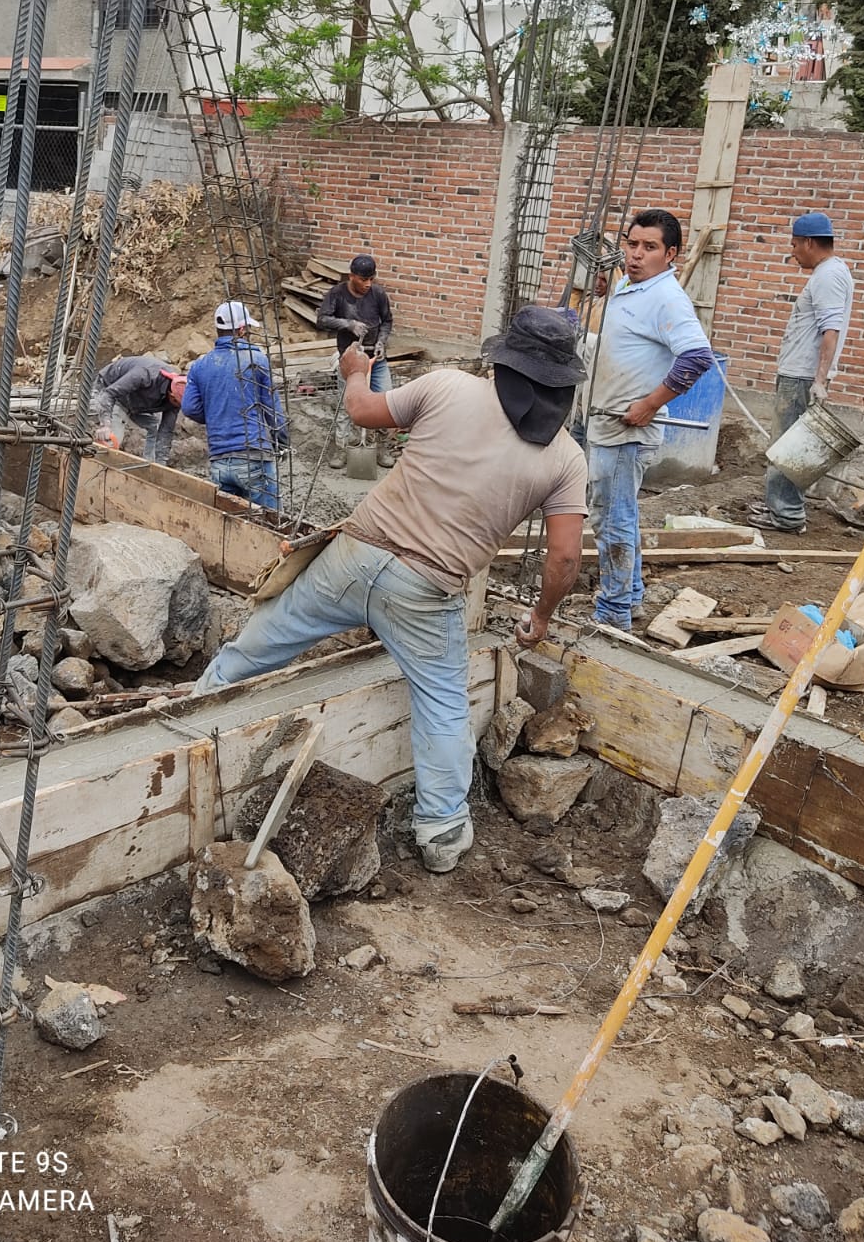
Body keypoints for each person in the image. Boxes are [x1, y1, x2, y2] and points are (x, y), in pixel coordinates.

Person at [193, 306, 589, 874]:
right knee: (444, 704)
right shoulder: (564, 458)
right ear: (563, 382)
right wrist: (543, 616)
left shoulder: (448, 387)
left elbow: (362, 409)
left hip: (354, 556)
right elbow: (566, 558)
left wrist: (353, 367)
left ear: (502, 361)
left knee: (264, 639)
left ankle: (192, 709)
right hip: (428, 589)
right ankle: (442, 831)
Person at [587, 209, 713, 631]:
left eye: (649, 247)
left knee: (612, 519)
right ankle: (632, 597)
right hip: (607, 422)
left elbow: (697, 357)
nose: (636, 254)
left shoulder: (667, 297)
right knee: (620, 514)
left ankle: (613, 612)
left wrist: (650, 405)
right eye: (632, 243)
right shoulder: (631, 283)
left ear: (671, 253)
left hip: (625, 431)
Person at [749, 211, 854, 535]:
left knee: (788, 446)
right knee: (788, 445)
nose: (792, 251)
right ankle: (780, 505)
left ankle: (787, 516)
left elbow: (830, 330)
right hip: (800, 375)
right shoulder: (832, 272)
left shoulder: (827, 276)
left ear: (809, 242)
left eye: (795, 244)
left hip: (801, 378)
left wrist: (819, 380)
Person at [181, 301, 290, 512]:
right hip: (253, 456)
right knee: (271, 524)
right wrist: (282, 441)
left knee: (232, 523)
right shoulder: (256, 359)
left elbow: (189, 408)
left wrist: (216, 413)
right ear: (242, 330)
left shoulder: (200, 366)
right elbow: (271, 408)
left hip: (219, 462)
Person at [317, 254, 395, 468]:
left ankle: (381, 447)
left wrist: (381, 341)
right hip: (350, 360)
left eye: (371, 278)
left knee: (384, 403)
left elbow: (387, 321)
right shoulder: (337, 294)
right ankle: (341, 448)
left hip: (375, 358)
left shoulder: (378, 294)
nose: (368, 284)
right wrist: (348, 323)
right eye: (363, 280)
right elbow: (322, 319)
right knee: (346, 405)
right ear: (352, 276)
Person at [89, 355, 186, 465]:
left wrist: (161, 465)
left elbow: (166, 431)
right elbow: (108, 394)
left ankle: (150, 465)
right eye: (177, 403)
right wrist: (105, 424)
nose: (177, 407)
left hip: (134, 402)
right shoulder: (145, 375)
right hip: (113, 393)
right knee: (112, 441)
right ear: (171, 395)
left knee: (156, 427)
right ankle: (98, 468)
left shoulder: (178, 399)